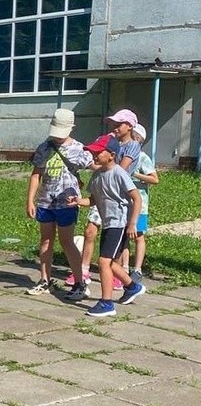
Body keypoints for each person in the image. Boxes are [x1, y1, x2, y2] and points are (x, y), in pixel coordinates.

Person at [68, 134, 145, 317]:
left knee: (103, 262)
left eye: (97, 152)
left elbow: (136, 198)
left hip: (119, 224)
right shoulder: (97, 175)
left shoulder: (119, 173)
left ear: (111, 154)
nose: (93, 155)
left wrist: (132, 224)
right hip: (108, 223)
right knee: (108, 263)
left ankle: (107, 303)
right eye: (92, 152)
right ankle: (132, 286)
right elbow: (93, 200)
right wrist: (78, 200)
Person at [24, 109, 92, 300]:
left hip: (67, 204)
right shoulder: (44, 147)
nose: (58, 138)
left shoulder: (79, 148)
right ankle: (45, 280)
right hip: (46, 202)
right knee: (46, 240)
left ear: (71, 129)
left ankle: (80, 282)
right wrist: (30, 199)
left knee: (66, 241)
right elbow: (36, 174)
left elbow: (96, 165)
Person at [129, 123, 159, 279]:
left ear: (138, 138)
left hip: (139, 205)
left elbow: (155, 179)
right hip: (125, 203)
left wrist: (136, 175)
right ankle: (124, 266)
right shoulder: (124, 156)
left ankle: (137, 268)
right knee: (124, 235)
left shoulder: (142, 157)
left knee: (138, 235)